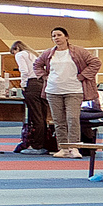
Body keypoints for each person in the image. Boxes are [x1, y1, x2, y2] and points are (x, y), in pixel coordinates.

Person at [23, 25, 98, 157]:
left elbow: (95, 62)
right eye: (54, 36)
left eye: (59, 35)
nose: (56, 38)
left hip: (74, 90)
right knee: (58, 121)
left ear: (66, 37)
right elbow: (37, 65)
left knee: (72, 118)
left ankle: (74, 147)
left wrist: (83, 75)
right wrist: (44, 76)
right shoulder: (48, 53)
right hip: (53, 90)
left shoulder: (79, 51)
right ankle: (63, 148)